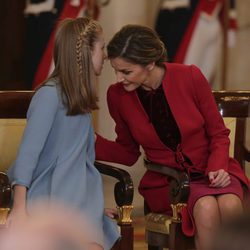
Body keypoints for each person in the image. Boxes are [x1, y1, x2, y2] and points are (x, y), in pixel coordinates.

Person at [95, 24, 250, 250]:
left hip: (215, 172)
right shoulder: (117, 96)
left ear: (149, 63)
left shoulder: (190, 76)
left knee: (230, 205)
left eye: (126, 72)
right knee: (206, 209)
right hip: (170, 182)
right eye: (116, 70)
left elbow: (218, 133)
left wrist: (219, 167)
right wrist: (85, 141)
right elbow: (127, 152)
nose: (119, 78)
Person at [7, 17, 119, 250]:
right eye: (102, 47)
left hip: (81, 200)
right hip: (52, 196)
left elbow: (84, 162)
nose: (106, 55)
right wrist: (19, 209)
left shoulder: (81, 104)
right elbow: (28, 156)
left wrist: (96, 208)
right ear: (87, 52)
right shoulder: (49, 96)